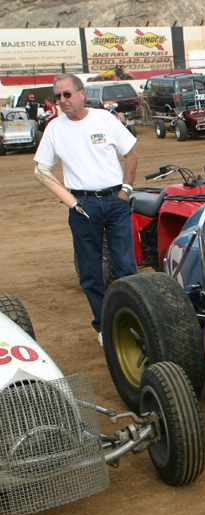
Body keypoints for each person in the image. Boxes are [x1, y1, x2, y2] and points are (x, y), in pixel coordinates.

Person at [33, 73, 138, 344]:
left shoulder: (104, 119)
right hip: (83, 206)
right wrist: (70, 201)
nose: (62, 100)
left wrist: (126, 190)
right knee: (91, 272)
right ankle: (104, 327)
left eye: (67, 94)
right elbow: (41, 169)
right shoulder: (54, 128)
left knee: (126, 266)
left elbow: (130, 152)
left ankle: (135, 321)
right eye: (57, 96)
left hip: (116, 201)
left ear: (82, 94)